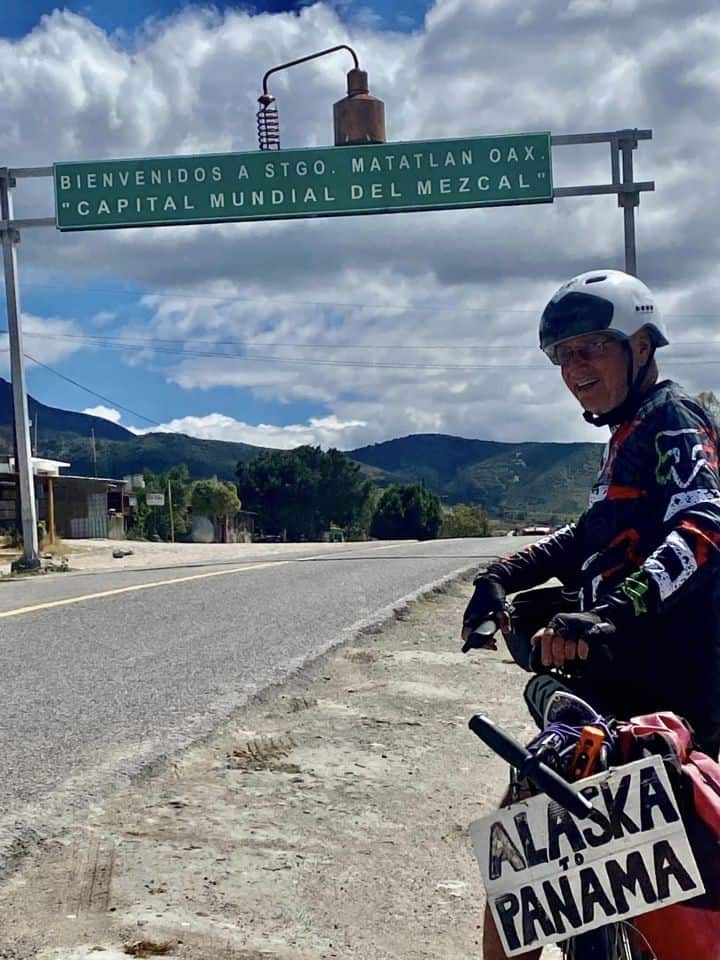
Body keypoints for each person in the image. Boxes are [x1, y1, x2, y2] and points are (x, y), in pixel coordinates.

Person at [461, 268, 720, 960]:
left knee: (532, 845)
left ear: (640, 344)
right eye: (562, 355)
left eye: (590, 349)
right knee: (528, 854)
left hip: (676, 706)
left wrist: (612, 611)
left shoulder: (672, 421)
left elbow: (705, 523)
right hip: (615, 699)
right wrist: (501, 575)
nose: (573, 368)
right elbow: (587, 536)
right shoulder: (626, 436)